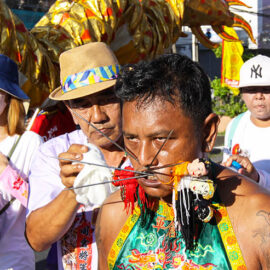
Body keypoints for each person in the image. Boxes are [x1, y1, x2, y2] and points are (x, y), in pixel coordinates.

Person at [96, 53, 270, 269]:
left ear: (207, 132)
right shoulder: (116, 212)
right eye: (131, 138)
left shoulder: (258, 217)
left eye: (160, 139)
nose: (142, 159)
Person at [25, 42, 128, 269]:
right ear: (71, 112)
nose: (97, 116)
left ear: (124, 97)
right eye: (82, 105)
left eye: (107, 98)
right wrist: (74, 191)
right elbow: (37, 239)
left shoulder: (150, 148)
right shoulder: (54, 154)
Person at [0, 54, 43, 269]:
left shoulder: (30, 142)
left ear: (8, 99)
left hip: (14, 261)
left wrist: (6, 171)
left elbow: (41, 204)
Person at [223, 54, 270, 190]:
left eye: (266, 90)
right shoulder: (235, 125)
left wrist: (258, 178)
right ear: (242, 93)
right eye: (251, 90)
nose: (258, 96)